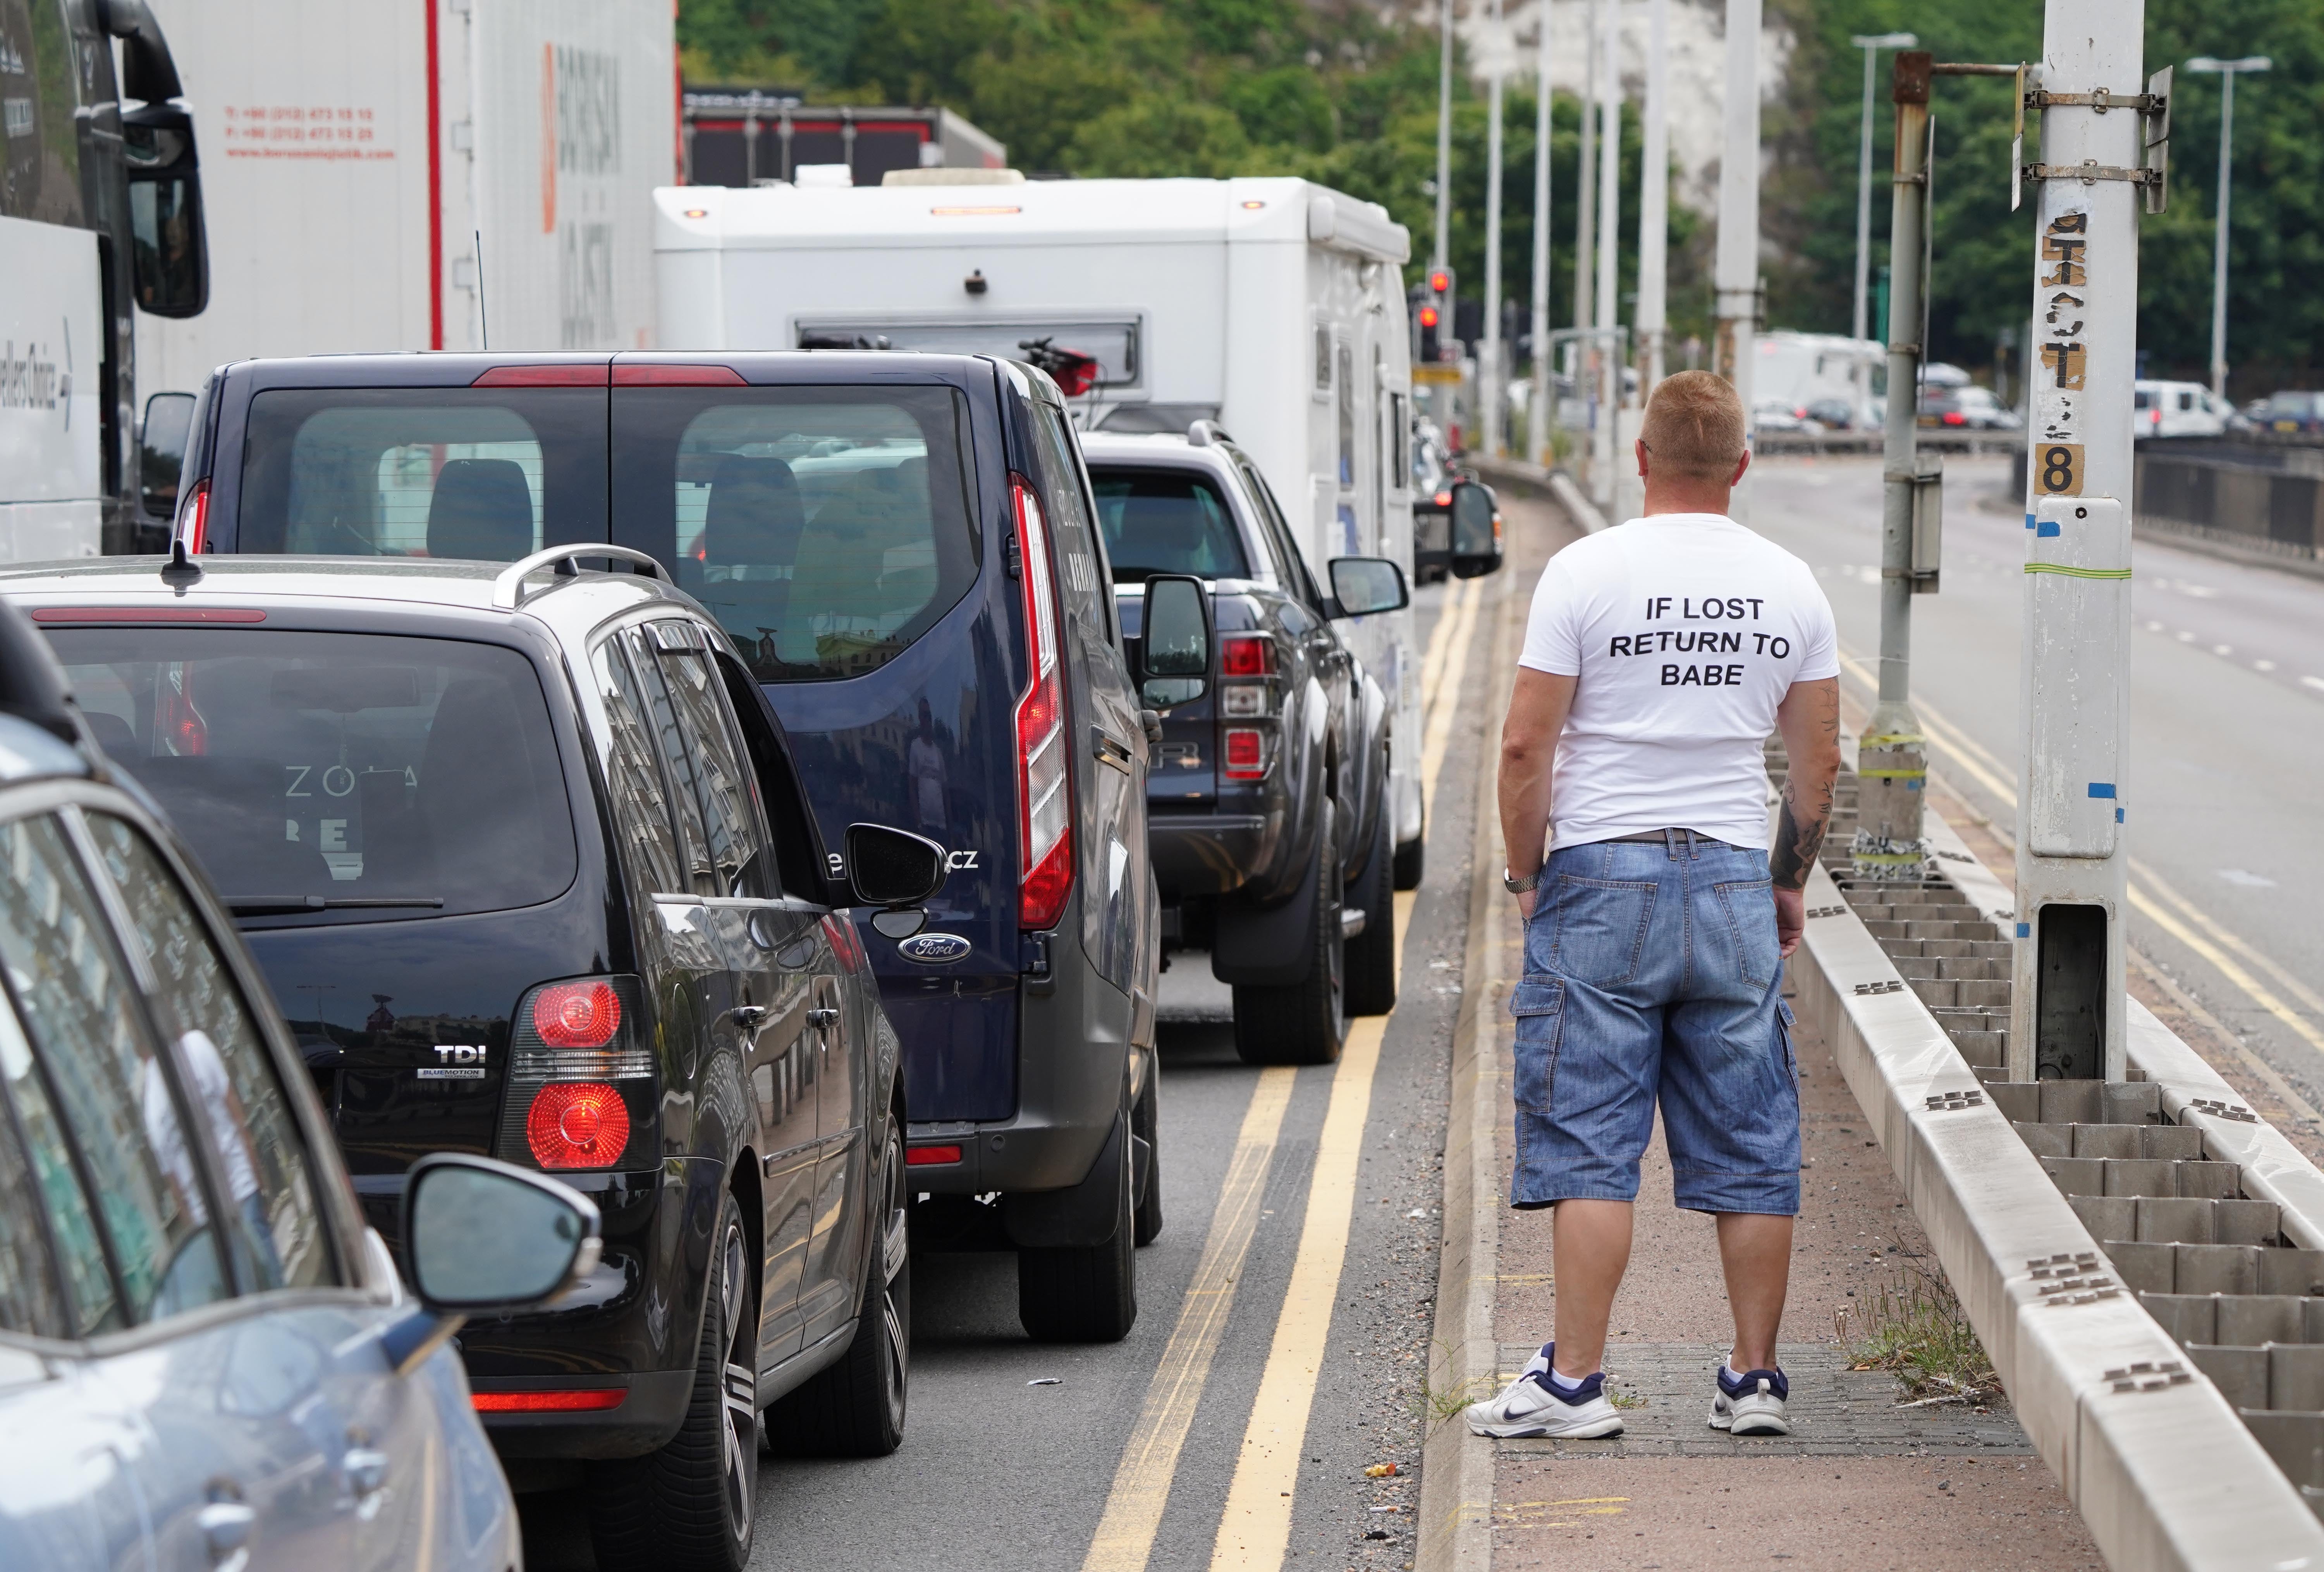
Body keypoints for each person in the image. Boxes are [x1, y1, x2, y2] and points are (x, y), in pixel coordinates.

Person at [1465, 371, 1841, 1441]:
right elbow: (1817, 763)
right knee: (1750, 1139)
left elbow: (1527, 745)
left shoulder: (1587, 571)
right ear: (1741, 465)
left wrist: (1528, 874)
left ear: (1641, 458)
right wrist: (1785, 879)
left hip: (1601, 875)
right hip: (1729, 873)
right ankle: (1755, 1379)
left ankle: (1576, 1382)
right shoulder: (1791, 584)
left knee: (1590, 1140)